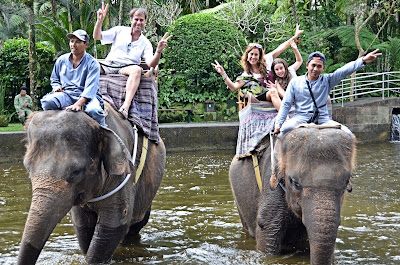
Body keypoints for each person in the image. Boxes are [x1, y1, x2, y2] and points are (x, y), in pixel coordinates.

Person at [274, 49, 382, 136]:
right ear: (307, 65)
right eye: (313, 65)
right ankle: (279, 160)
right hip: (300, 117)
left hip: (323, 119)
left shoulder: (328, 80)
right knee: (285, 129)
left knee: (348, 134)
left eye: (319, 66)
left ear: (323, 68)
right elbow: (286, 104)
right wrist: (278, 124)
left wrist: (363, 60)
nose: (315, 69)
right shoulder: (295, 82)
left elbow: (344, 70)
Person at [93, 3, 172, 119]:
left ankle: (125, 106)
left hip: (126, 68)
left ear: (145, 22)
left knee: (136, 69)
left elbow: (151, 64)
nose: (138, 22)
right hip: (109, 64)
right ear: (131, 20)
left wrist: (159, 51)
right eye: (136, 19)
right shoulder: (119, 30)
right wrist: (99, 21)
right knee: (90, 64)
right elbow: (97, 36)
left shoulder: (146, 43)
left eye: (141, 20)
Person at [212, 25, 304, 110]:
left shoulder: (267, 60)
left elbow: (282, 47)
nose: (253, 57)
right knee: (272, 91)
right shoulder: (247, 74)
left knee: (276, 89)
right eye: (251, 54)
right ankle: (285, 119)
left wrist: (295, 36)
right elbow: (233, 87)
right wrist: (223, 73)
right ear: (247, 56)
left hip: (276, 91)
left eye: (256, 54)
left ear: (259, 56)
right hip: (263, 95)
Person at [41, 29, 106, 127]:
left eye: (78, 42)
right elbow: (54, 78)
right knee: (47, 102)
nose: (73, 44)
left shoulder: (93, 63)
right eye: (72, 41)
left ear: (86, 45)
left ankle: (104, 134)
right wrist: (56, 87)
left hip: (87, 97)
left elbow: (90, 88)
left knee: (94, 111)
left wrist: (79, 104)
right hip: (66, 94)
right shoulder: (61, 60)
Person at [266, 39, 303, 110]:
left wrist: (295, 49)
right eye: (277, 70)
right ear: (274, 71)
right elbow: (283, 93)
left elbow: (299, 61)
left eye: (281, 68)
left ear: (285, 68)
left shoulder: (291, 70)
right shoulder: (277, 81)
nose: (280, 71)